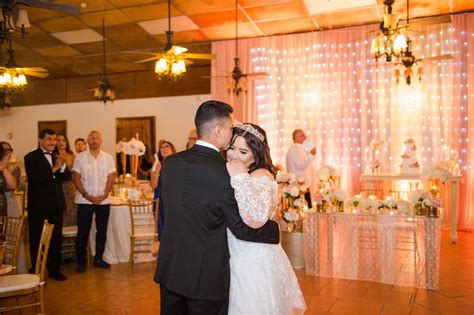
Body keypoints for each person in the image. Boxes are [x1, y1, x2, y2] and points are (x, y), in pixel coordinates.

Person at [154, 100, 279, 315]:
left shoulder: (170, 164)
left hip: (170, 268)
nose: (232, 134)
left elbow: (169, 213)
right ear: (219, 130)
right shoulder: (226, 174)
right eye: (231, 129)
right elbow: (240, 228)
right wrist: (274, 230)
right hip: (205, 277)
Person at [226, 123, 306, 314]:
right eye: (232, 148)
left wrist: (239, 178)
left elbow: (255, 219)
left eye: (243, 151)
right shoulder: (239, 171)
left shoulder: (260, 176)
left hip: (252, 257)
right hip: (236, 251)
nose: (235, 155)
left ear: (256, 154)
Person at [24, 129, 71, 281]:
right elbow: (35, 179)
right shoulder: (30, 157)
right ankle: (36, 271)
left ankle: (55, 270)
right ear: (40, 140)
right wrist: (56, 168)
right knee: (37, 239)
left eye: (54, 139)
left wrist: (62, 166)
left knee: (56, 239)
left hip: (56, 205)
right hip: (38, 207)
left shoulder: (57, 156)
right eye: (49, 139)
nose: (53, 142)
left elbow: (66, 177)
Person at [72, 130, 115, 273]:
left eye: (97, 138)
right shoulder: (80, 158)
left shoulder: (108, 158)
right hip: (84, 201)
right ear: (87, 140)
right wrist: (86, 195)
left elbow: (111, 177)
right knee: (83, 232)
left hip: (104, 200)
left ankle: (99, 258)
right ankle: (81, 262)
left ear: (101, 141)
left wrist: (104, 195)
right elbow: (76, 178)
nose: (94, 141)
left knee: (101, 231)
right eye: (91, 138)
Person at [150, 140, 176, 240]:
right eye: (162, 148)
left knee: (173, 228)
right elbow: (153, 185)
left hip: (173, 200)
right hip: (159, 201)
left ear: (172, 149)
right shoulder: (157, 164)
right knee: (162, 229)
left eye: (167, 147)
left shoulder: (177, 164)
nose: (164, 149)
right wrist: (157, 171)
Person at [286, 129, 316, 207]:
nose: (305, 137)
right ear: (295, 138)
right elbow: (300, 165)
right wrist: (311, 155)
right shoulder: (296, 150)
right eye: (302, 135)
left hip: (300, 186)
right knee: (304, 213)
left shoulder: (298, 149)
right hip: (299, 187)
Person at [54, 134, 77, 227]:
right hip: (58, 187)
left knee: (72, 211)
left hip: (71, 188)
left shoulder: (72, 156)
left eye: (63, 140)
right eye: (58, 140)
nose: (61, 143)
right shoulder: (53, 156)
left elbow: (76, 173)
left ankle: (72, 237)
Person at [0, 144, 16, 216]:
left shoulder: (5, 167)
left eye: (8, 150)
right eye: (4, 151)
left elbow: (12, 186)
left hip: (4, 205)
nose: (6, 153)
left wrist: (3, 167)